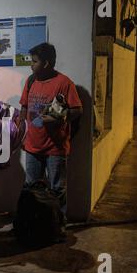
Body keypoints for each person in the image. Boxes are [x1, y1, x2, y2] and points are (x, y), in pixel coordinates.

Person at [18, 42, 82, 213]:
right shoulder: (31, 81)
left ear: (46, 63)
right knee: (31, 188)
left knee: (57, 189)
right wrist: (20, 130)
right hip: (32, 146)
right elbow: (24, 107)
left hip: (56, 147)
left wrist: (59, 117)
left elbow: (77, 110)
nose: (31, 65)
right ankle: (33, 224)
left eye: (34, 61)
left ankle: (58, 226)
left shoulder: (64, 83)